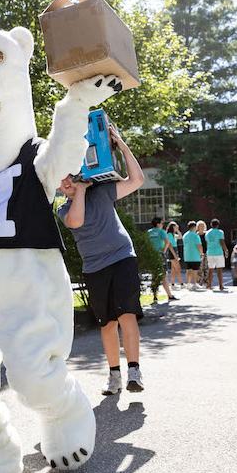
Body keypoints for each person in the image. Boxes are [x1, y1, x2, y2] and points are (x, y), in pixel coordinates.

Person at [57, 126, 146, 395]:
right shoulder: (64, 210)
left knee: (126, 315)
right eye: (63, 182)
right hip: (95, 267)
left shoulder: (104, 191)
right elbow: (77, 220)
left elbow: (137, 179)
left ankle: (134, 372)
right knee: (107, 323)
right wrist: (81, 190)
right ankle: (114, 376)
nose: (67, 182)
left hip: (121, 258)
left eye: (71, 177)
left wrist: (121, 144)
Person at [146, 217, 179, 303]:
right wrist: (163, 251)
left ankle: (154, 296)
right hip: (160, 255)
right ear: (158, 224)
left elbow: (147, 243)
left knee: (154, 275)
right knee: (163, 275)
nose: (162, 225)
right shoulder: (162, 232)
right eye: (162, 223)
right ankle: (169, 295)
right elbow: (167, 242)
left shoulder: (149, 232)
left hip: (151, 255)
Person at [204, 218, 228, 290]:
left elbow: (207, 242)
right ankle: (221, 285)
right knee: (219, 270)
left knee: (210, 269)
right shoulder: (220, 232)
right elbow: (222, 242)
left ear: (211, 225)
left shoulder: (207, 233)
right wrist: (226, 250)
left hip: (210, 252)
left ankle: (209, 285)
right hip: (218, 252)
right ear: (218, 225)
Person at [182, 221, 204, 290]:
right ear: (194, 227)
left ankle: (188, 284)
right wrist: (201, 253)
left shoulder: (185, 235)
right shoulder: (195, 235)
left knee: (188, 270)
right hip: (195, 256)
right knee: (195, 270)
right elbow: (199, 245)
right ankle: (194, 284)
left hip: (187, 256)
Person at [165, 221, 184, 288]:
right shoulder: (169, 234)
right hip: (172, 252)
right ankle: (181, 283)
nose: (177, 227)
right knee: (178, 268)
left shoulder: (173, 234)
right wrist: (175, 256)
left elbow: (180, 237)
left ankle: (172, 284)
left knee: (173, 269)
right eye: (176, 226)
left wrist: (177, 230)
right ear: (173, 227)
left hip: (175, 251)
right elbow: (169, 245)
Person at [195, 220, 209, 286]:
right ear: (197, 227)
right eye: (200, 226)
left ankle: (206, 281)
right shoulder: (196, 235)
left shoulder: (206, 234)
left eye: (203, 226)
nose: (202, 227)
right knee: (199, 268)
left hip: (206, 253)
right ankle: (199, 282)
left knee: (206, 267)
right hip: (198, 253)